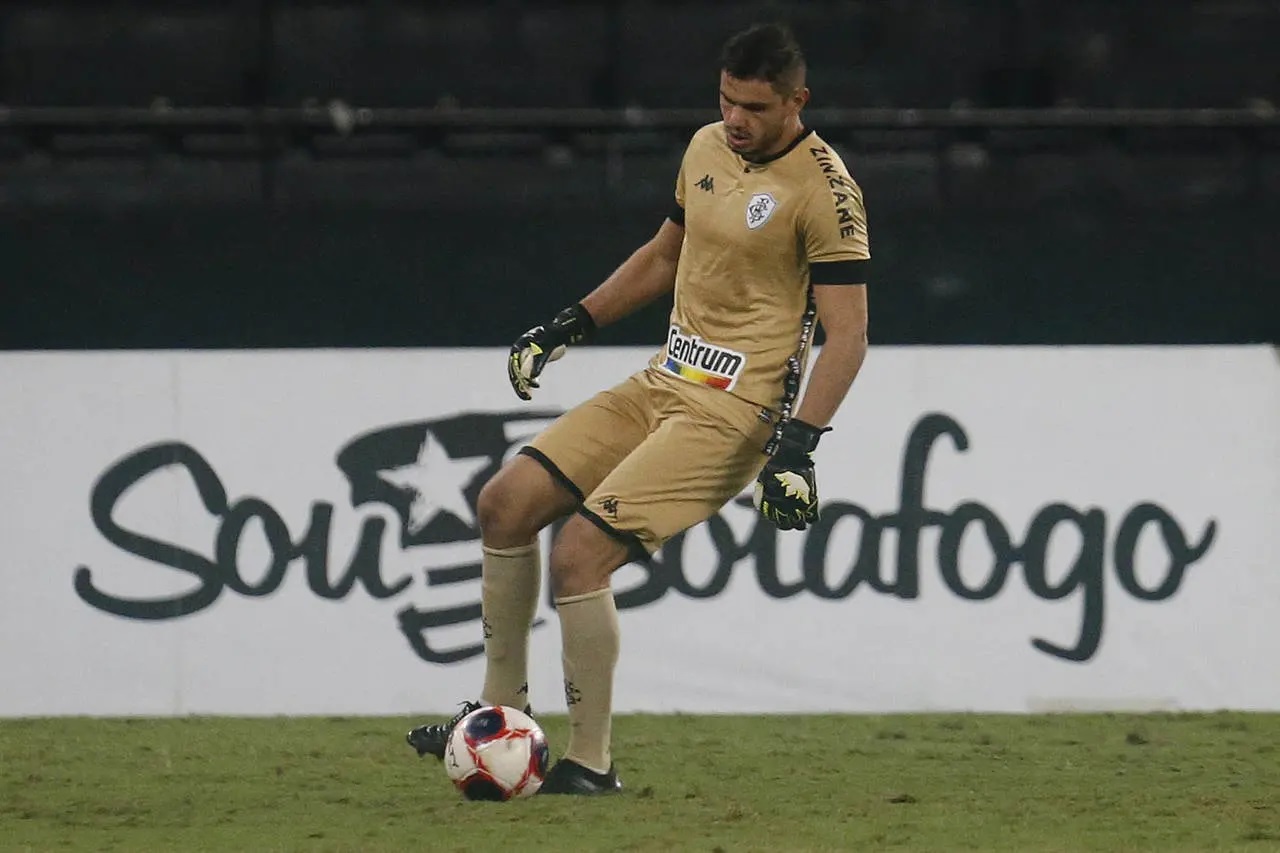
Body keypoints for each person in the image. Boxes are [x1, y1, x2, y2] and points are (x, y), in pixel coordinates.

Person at [406, 21, 871, 795]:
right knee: (504, 503)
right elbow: (665, 254)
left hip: (734, 413)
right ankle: (500, 720)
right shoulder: (704, 150)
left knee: (580, 554)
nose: (736, 119)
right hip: (662, 382)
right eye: (727, 101)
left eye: (754, 107)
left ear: (798, 101)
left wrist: (797, 449)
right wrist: (570, 324)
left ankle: (590, 763)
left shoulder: (826, 189)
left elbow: (849, 336)